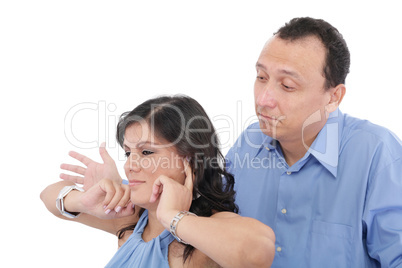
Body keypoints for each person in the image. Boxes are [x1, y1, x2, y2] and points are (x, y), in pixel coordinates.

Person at [225, 17, 402, 267]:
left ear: (333, 97)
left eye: (287, 85)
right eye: (261, 77)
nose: (263, 100)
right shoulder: (248, 144)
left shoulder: (378, 154)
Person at [41, 95, 275, 267]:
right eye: (128, 152)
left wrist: (173, 216)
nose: (130, 165)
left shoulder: (209, 228)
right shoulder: (132, 219)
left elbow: (258, 252)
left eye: (146, 153)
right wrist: (84, 201)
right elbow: (49, 195)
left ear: (190, 160)